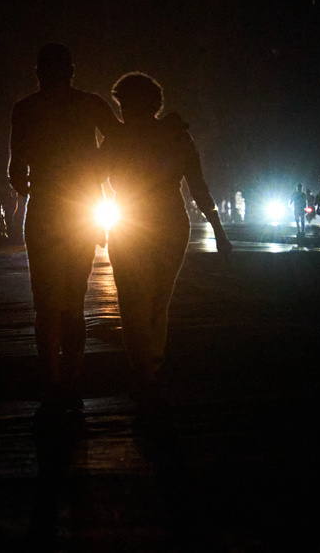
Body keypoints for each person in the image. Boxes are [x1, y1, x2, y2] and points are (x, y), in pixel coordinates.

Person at [7, 43, 122, 413]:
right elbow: (121, 139)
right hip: (79, 209)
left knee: (44, 300)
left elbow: (16, 173)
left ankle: (51, 378)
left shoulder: (24, 109)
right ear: (71, 71)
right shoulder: (90, 104)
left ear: (38, 72)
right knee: (73, 298)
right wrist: (96, 170)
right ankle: (72, 378)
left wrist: (36, 180)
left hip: (43, 210)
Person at [103, 72, 231, 399]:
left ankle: (143, 367)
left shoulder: (117, 138)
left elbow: (89, 175)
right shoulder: (177, 136)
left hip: (129, 222)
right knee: (159, 299)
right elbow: (198, 187)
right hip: (171, 223)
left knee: (132, 298)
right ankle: (152, 364)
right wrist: (218, 229)